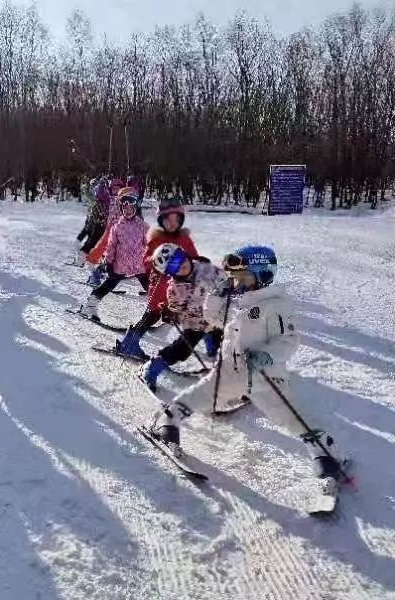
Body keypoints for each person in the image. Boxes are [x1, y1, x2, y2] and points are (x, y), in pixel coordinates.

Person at [148, 246, 345, 492]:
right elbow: (214, 317)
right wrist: (218, 293)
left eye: (243, 276)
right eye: (236, 277)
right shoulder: (240, 300)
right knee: (200, 395)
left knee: (289, 415)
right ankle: (169, 418)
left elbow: (288, 340)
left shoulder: (277, 305)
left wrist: (266, 355)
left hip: (263, 376)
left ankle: (326, 453)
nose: (237, 281)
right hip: (230, 371)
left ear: (261, 274)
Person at [116, 197, 198, 361]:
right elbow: (146, 260)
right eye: (168, 220)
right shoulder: (157, 239)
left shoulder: (185, 239)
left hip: (178, 287)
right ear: (161, 221)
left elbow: (194, 258)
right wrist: (157, 263)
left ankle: (183, 344)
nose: (172, 223)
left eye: (176, 219)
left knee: (178, 313)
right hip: (160, 286)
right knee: (152, 315)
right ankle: (129, 343)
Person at [139, 243, 226, 391]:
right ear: (168, 272)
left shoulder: (207, 268)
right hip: (195, 323)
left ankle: (215, 349)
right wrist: (170, 312)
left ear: (185, 253)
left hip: (217, 316)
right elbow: (178, 310)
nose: (181, 266)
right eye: (173, 267)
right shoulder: (174, 290)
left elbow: (225, 281)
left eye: (180, 259)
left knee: (223, 338)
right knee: (182, 349)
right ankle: (151, 367)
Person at [81, 189, 149, 320]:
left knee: (151, 287)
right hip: (121, 264)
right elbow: (111, 246)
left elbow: (150, 244)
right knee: (109, 284)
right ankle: (91, 304)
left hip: (139, 265)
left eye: (130, 208)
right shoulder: (117, 227)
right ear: (121, 209)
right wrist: (109, 262)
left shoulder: (143, 226)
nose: (128, 210)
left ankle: (160, 311)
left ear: (135, 208)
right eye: (125, 208)